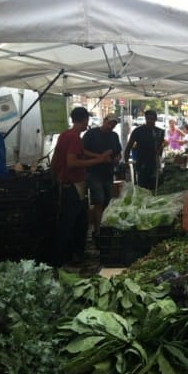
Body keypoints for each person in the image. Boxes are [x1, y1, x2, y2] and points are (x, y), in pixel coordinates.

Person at [51, 107, 112, 267]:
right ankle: (68, 259)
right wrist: (99, 161)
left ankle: (67, 257)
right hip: (73, 187)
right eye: (87, 121)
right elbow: (72, 162)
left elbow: (62, 156)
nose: (88, 124)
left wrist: (98, 156)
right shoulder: (75, 138)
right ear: (84, 120)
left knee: (71, 222)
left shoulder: (65, 135)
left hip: (64, 185)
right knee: (75, 224)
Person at [82, 113, 122, 242]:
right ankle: (98, 230)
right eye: (110, 123)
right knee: (98, 200)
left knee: (107, 201)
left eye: (114, 124)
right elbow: (82, 151)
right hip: (93, 172)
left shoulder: (114, 136)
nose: (111, 126)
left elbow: (118, 152)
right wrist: (99, 157)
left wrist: (116, 158)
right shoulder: (91, 134)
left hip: (108, 173)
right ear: (104, 120)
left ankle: (105, 227)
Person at [123, 109, 165, 190]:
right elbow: (129, 146)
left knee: (155, 188)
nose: (150, 121)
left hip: (155, 164)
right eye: (148, 118)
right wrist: (126, 162)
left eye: (152, 119)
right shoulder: (138, 131)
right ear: (145, 118)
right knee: (142, 188)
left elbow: (160, 148)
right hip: (142, 163)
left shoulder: (160, 132)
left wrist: (160, 154)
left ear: (156, 119)